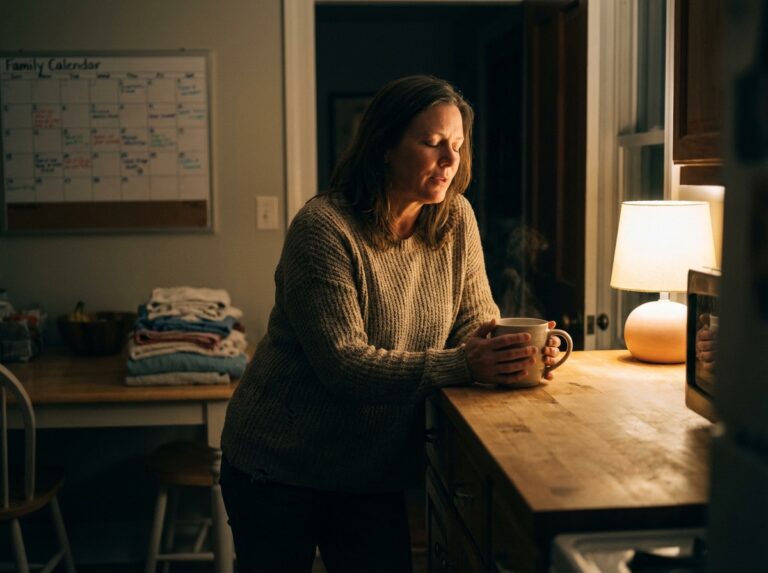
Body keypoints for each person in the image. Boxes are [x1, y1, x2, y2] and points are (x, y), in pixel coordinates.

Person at [220, 75, 561, 573]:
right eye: (432, 143)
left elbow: (476, 325)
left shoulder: (455, 218)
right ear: (383, 145)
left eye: (458, 146)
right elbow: (345, 365)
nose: (450, 161)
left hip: (369, 470)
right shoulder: (324, 228)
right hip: (278, 465)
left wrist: (518, 352)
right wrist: (468, 361)